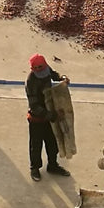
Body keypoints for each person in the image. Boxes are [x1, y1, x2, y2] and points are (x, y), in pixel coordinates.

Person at [25, 53, 72, 182]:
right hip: (37, 119)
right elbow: (34, 106)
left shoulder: (47, 71)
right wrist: (53, 115)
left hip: (50, 118)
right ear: (33, 69)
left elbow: (56, 77)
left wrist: (63, 79)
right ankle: (35, 168)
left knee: (52, 143)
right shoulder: (31, 81)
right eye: (37, 68)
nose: (41, 70)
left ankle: (52, 165)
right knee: (36, 146)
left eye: (42, 67)